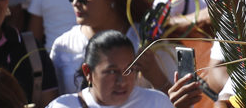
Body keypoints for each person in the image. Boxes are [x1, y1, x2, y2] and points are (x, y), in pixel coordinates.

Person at [50, 0, 170, 94]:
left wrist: (155, 76)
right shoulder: (63, 46)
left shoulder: (146, 40)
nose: (75, 2)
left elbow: (178, 102)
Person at [45, 30, 201, 108]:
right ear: (88, 72)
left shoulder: (157, 102)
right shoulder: (63, 106)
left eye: (129, 69)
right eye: (112, 71)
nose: (122, 81)